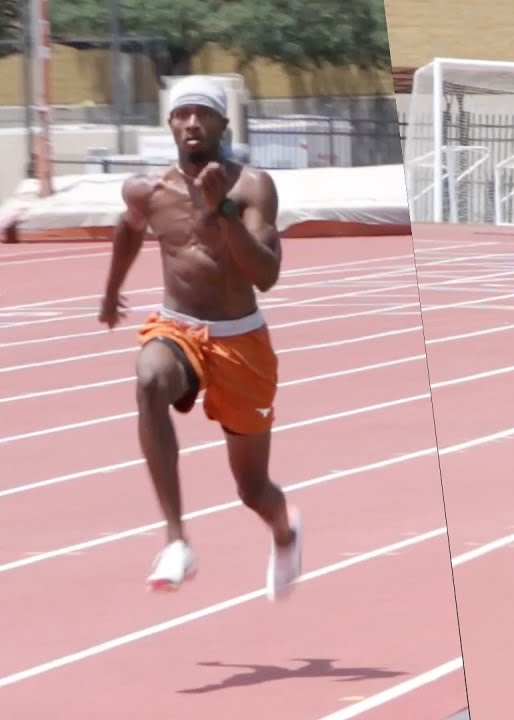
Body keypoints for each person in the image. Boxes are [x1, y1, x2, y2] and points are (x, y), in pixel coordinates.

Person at [97, 75, 302, 601]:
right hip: (178, 326)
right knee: (148, 381)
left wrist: (225, 212)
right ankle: (176, 539)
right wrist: (110, 292)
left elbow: (267, 275)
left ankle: (284, 529)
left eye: (204, 114)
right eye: (182, 113)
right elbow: (128, 228)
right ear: (169, 123)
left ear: (222, 124)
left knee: (252, 490)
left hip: (241, 340)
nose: (192, 122)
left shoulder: (252, 187)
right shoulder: (148, 189)